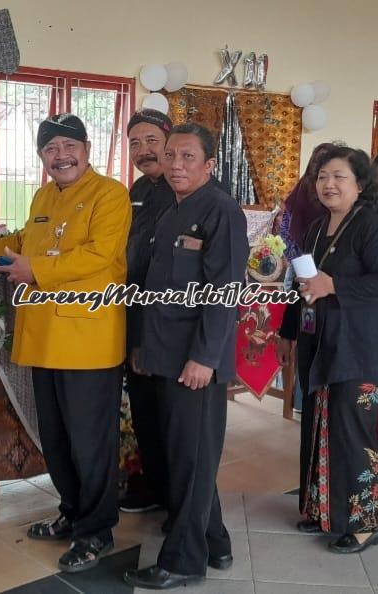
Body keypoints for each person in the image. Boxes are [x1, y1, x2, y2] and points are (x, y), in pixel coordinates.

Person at [0, 113, 131, 573]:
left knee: (90, 441)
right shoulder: (44, 195)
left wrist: (37, 270)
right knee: (57, 438)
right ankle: (71, 512)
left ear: (87, 149)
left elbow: (100, 255)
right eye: (50, 149)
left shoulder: (111, 195)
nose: (60, 156)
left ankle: (97, 529)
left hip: (88, 340)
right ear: (42, 157)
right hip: (44, 336)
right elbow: (24, 240)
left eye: (69, 146)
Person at [123, 124, 248, 589]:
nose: (175, 164)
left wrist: (205, 358)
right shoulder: (173, 211)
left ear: (210, 164)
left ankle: (183, 559)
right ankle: (215, 541)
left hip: (194, 364)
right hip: (163, 355)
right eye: (171, 154)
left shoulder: (221, 211)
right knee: (184, 456)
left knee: (192, 461)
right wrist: (143, 349)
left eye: (188, 157)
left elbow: (223, 293)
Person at [278, 146, 378, 553]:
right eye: (322, 177)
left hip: (361, 346)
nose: (328, 184)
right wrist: (289, 329)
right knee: (319, 427)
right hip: (322, 343)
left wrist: (336, 286)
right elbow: (306, 284)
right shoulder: (316, 227)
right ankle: (324, 512)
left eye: (339, 177)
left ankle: (367, 522)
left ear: (360, 184)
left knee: (354, 432)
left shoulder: (374, 227)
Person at [120, 109, 176, 515]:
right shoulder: (136, 191)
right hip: (136, 315)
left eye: (151, 140)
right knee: (144, 411)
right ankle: (154, 485)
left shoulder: (191, 189)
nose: (144, 150)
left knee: (175, 418)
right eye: (135, 143)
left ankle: (181, 499)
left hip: (175, 326)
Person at [277, 142, 336, 415]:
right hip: (306, 271)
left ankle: (306, 404)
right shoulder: (304, 191)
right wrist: (303, 260)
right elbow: (286, 231)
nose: (327, 181)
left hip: (314, 271)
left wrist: (299, 258)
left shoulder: (332, 196)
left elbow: (285, 233)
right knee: (307, 333)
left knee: (311, 335)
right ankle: (304, 403)